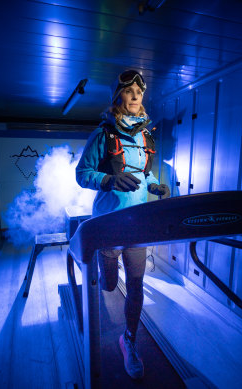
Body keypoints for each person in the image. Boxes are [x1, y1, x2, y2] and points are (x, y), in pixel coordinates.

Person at [75, 69, 170, 379]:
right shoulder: (103, 134)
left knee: (137, 283)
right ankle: (98, 290)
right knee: (110, 284)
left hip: (138, 225)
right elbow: (82, 174)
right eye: (129, 91)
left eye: (139, 92)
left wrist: (155, 185)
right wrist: (110, 179)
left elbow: (146, 173)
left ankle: (129, 340)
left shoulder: (146, 135)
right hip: (108, 225)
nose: (135, 96)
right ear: (117, 97)